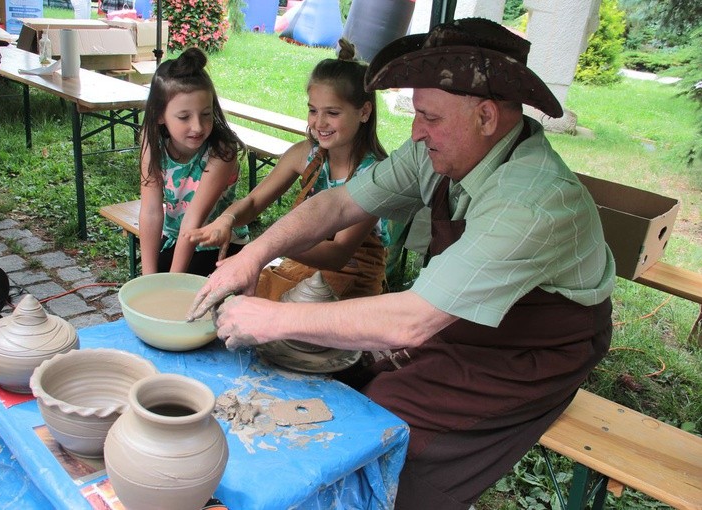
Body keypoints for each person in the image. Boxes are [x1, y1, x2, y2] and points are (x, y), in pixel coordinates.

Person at [188, 18, 616, 509]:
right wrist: (256, 255)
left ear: (487, 117)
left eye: (430, 117)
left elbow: (411, 321)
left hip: (529, 348)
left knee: (387, 434)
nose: (415, 132)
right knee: (347, 386)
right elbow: (338, 205)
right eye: (416, 114)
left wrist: (274, 318)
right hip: (455, 316)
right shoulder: (439, 151)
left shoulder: (531, 202)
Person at [183, 38, 389, 300]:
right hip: (302, 267)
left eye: (333, 113)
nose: (319, 122)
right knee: (234, 303)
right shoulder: (306, 154)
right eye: (313, 110)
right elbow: (255, 201)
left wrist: (268, 245)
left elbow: (338, 254)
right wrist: (227, 219)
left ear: (364, 112)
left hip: (352, 282)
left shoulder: (374, 175)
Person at [138, 46, 248, 276]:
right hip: (175, 238)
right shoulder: (151, 141)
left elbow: (193, 219)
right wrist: (147, 279)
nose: (198, 126)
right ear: (159, 115)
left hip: (217, 243)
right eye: (184, 117)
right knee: (152, 282)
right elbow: (150, 211)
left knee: (182, 296)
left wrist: (171, 282)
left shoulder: (222, 150)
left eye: (206, 114)